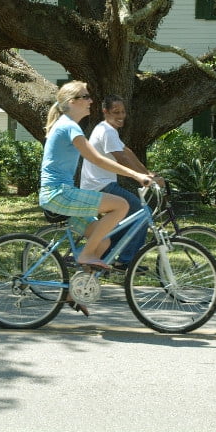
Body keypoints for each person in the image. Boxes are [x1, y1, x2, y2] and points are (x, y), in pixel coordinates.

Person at [39, 82, 151, 293]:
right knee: (121, 205)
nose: (91, 101)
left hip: (61, 193)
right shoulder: (69, 126)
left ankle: (77, 292)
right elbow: (97, 159)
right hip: (58, 194)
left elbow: (115, 153)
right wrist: (136, 175)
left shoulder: (69, 124)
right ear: (73, 102)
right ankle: (85, 255)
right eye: (86, 97)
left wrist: (139, 173)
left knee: (103, 241)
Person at [80, 95, 160, 270]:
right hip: (100, 186)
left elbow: (127, 151)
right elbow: (121, 158)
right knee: (140, 212)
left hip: (101, 185)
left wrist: (147, 173)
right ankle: (126, 261)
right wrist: (141, 177)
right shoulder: (107, 130)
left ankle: (106, 256)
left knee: (127, 219)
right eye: (116, 112)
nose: (121, 115)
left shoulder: (107, 129)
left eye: (123, 112)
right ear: (105, 111)